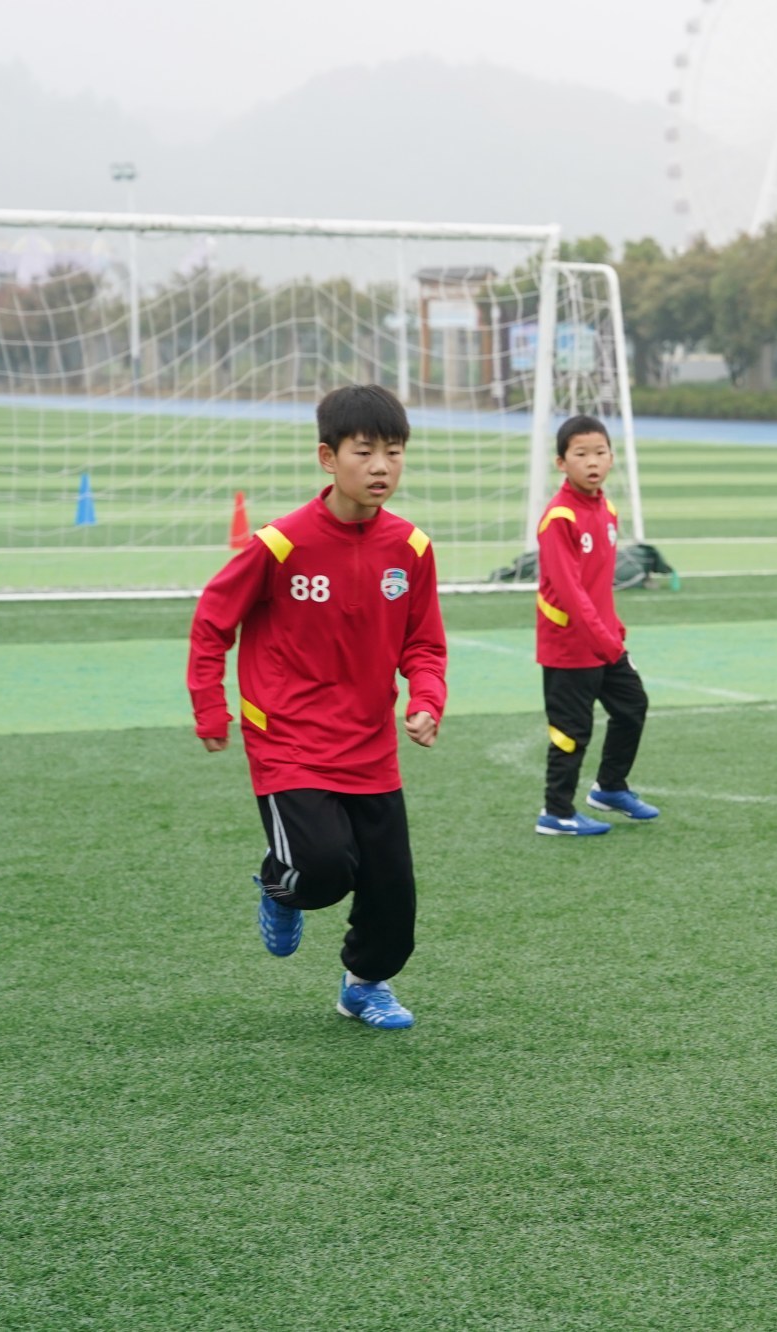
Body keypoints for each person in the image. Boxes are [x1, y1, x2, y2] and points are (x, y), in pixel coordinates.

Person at [188, 384, 447, 1030]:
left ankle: (363, 985)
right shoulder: (281, 545)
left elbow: (423, 643)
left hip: (371, 748)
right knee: (324, 870)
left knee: (394, 899)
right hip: (290, 743)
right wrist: (210, 708)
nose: (381, 466)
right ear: (328, 458)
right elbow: (213, 620)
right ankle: (279, 885)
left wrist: (426, 698)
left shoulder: (411, 550)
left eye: (394, 452)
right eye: (365, 452)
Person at [532, 413, 658, 836]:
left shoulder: (607, 509)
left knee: (632, 707)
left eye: (600, 452)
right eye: (581, 454)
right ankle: (556, 812)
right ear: (561, 463)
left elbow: (598, 582)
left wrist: (613, 627)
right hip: (569, 646)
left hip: (604, 641)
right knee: (571, 731)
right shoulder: (559, 518)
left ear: (611, 458)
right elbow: (570, 592)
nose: (592, 461)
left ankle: (610, 787)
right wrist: (604, 639)